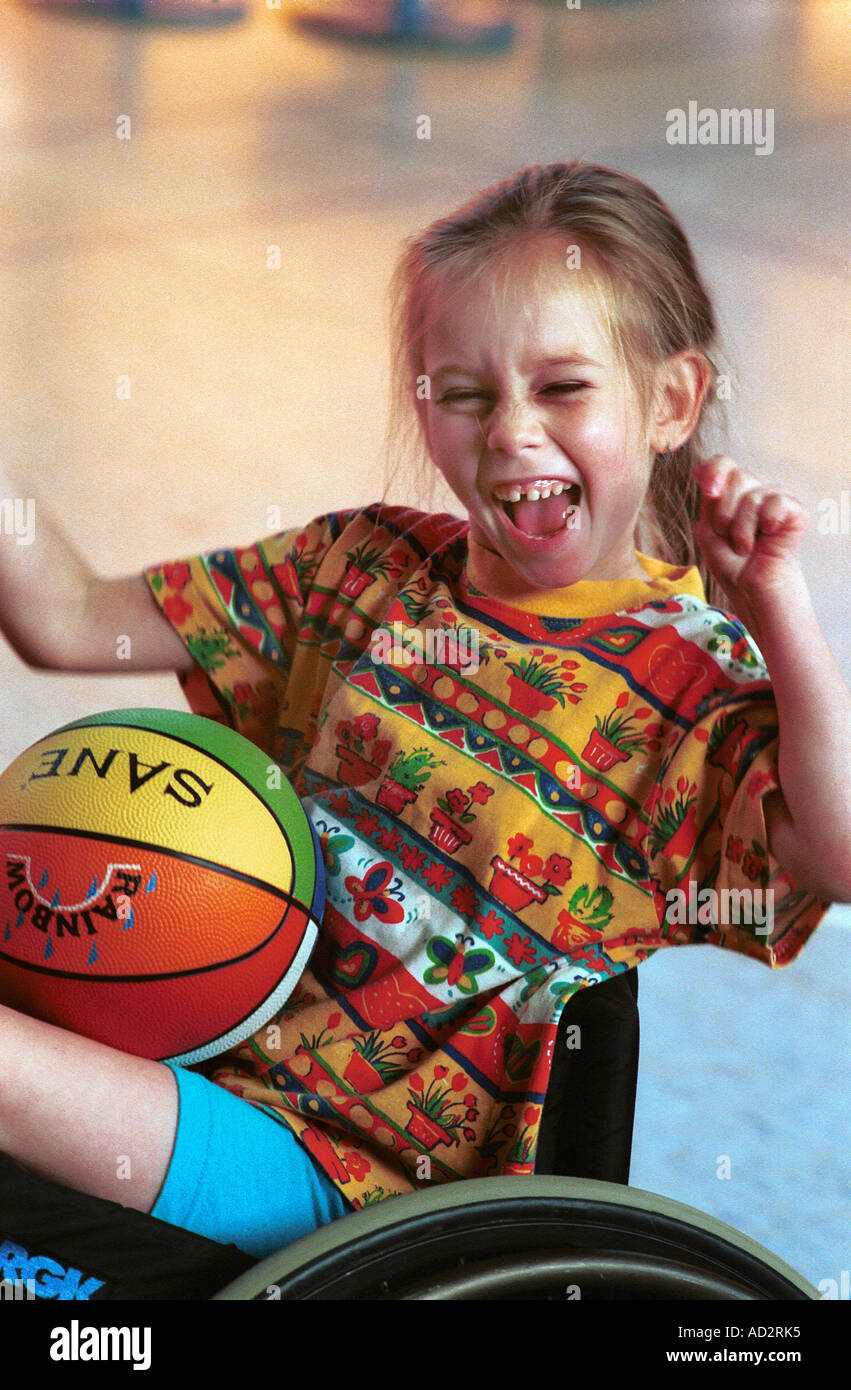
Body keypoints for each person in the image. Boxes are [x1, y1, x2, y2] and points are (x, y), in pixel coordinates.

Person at [0, 160, 849, 1266]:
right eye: (462, 392)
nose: (508, 432)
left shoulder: (681, 692)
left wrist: (780, 612)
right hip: (190, 1051)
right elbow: (69, 619)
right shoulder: (356, 566)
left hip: (346, 1176)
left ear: (670, 401)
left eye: (560, 387)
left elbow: (835, 854)